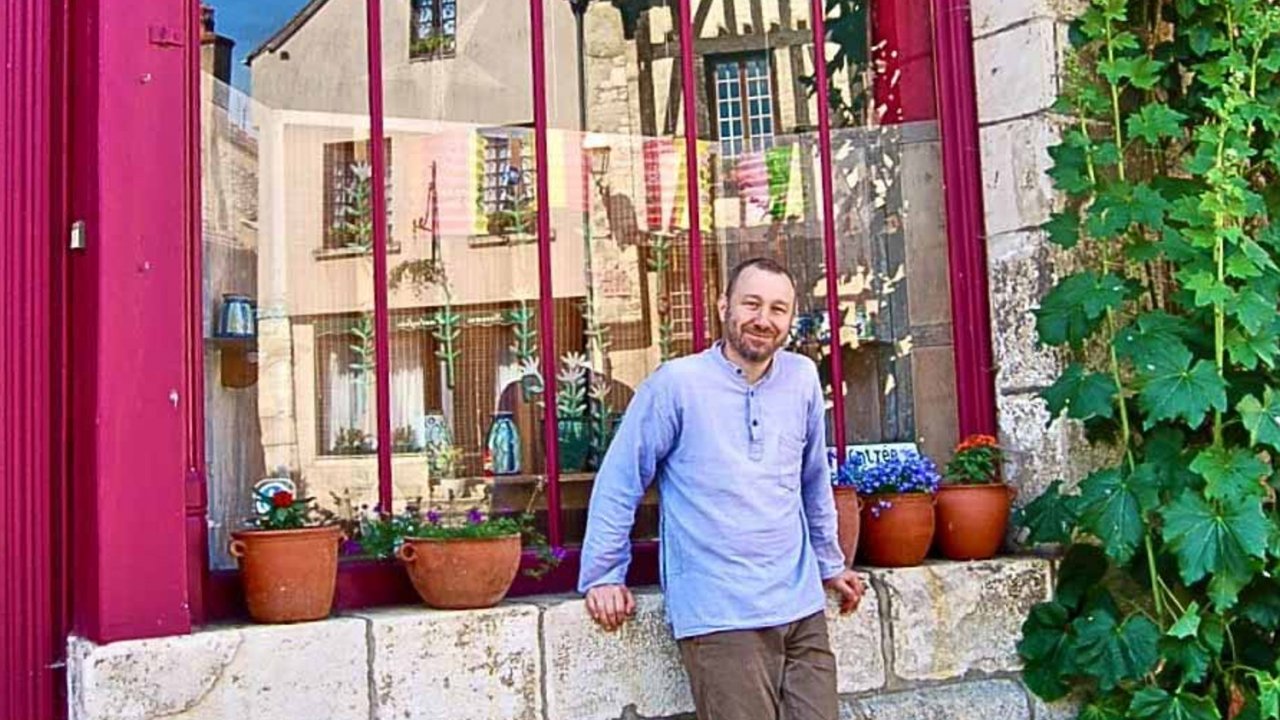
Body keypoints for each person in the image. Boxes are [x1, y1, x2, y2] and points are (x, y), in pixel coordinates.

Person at [578, 256, 865, 720]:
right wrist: (604, 574)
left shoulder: (802, 379)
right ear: (722, 307)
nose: (763, 319)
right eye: (751, 303)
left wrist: (831, 563)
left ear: (791, 319)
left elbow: (812, 480)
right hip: (720, 616)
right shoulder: (677, 384)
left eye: (778, 309)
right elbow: (620, 479)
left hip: (800, 606)